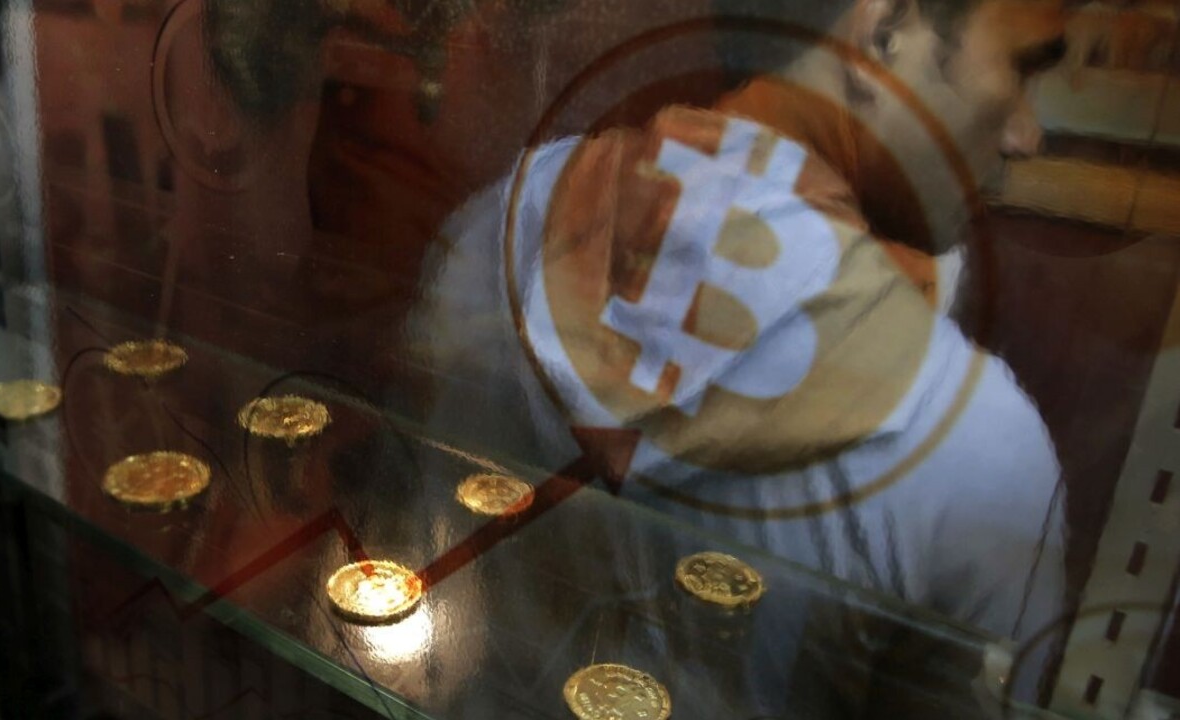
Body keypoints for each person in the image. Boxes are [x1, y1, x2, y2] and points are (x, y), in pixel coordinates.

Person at [406, 0, 1071, 707]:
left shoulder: (496, 225)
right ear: (886, 31)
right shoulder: (982, 451)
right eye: (1022, 66)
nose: (1026, 136)